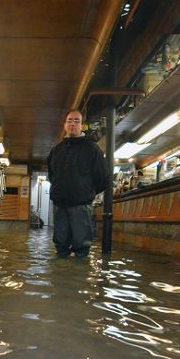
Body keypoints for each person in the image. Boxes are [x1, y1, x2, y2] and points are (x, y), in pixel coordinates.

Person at [47, 109, 109, 258]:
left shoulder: (92, 149)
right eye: (70, 120)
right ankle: (60, 279)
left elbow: (103, 177)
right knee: (60, 247)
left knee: (82, 247)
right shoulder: (56, 150)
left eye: (76, 121)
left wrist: (88, 193)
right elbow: (52, 175)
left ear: (82, 126)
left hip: (81, 206)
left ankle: (79, 279)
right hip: (60, 204)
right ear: (65, 125)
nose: (73, 124)